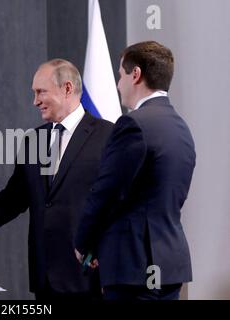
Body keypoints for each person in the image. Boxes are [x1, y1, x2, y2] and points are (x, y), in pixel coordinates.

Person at [0, 59, 113, 300]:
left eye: (41, 92)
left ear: (67, 88)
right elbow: (14, 198)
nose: (35, 101)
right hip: (45, 279)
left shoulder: (108, 136)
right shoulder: (33, 139)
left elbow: (116, 203)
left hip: (89, 277)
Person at [74, 41, 196, 300]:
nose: (118, 84)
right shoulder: (181, 128)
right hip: (169, 266)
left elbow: (107, 191)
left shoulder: (133, 125)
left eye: (120, 75)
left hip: (134, 268)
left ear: (136, 75)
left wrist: (83, 242)